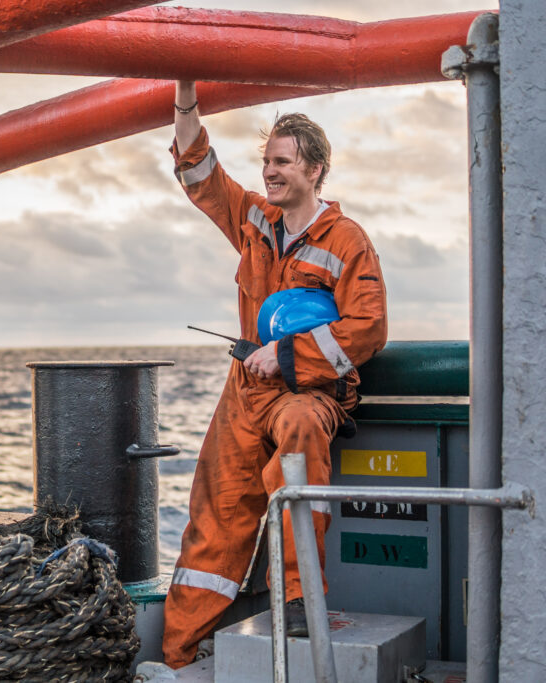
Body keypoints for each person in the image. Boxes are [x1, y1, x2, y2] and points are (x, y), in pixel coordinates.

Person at [163, 81, 388, 668]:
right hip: (246, 393)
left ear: (315, 170)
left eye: (282, 162)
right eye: (267, 162)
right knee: (215, 515)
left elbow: (368, 328)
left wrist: (287, 355)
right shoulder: (255, 220)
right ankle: (177, 657)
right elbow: (200, 176)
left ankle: (295, 597)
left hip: (306, 393)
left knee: (300, 432)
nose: (269, 172)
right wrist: (185, 97)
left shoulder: (347, 240)